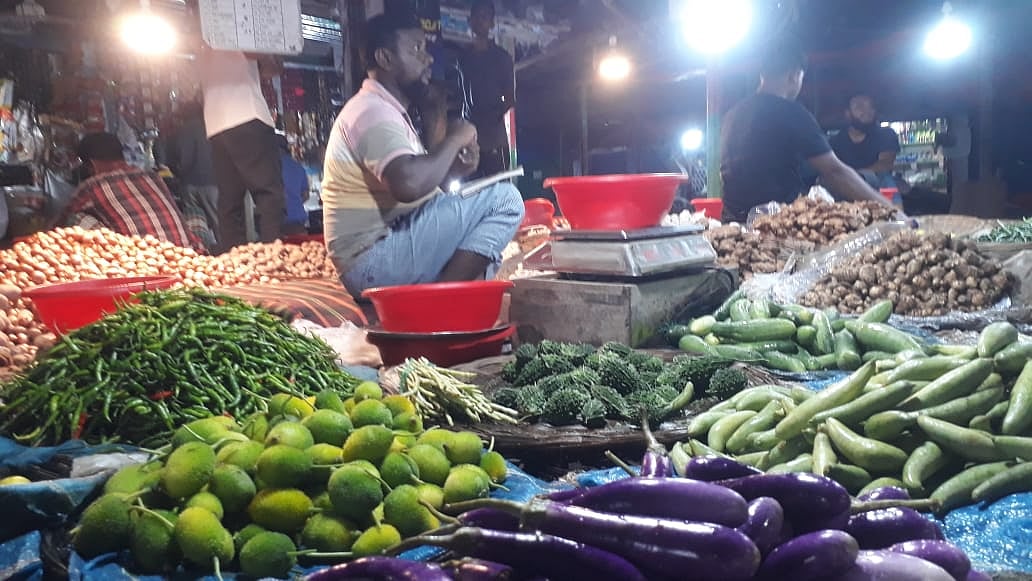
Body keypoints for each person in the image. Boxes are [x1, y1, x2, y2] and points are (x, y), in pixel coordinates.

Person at [321, 11, 524, 297]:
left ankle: (445, 299)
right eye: (416, 49)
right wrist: (455, 139)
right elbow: (408, 184)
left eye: (425, 49)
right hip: (372, 261)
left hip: (385, 251)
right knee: (507, 201)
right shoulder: (371, 111)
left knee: (482, 242)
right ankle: (438, 302)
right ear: (385, 59)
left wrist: (456, 169)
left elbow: (420, 189)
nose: (427, 59)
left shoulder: (387, 111)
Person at [720, 39, 893, 223]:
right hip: (775, 225)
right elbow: (835, 172)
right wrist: (891, 210)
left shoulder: (732, 114)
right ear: (794, 76)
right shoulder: (790, 112)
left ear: (763, 73)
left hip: (731, 222)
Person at [199, 49, 285, 253]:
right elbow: (266, 64)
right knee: (269, 194)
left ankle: (235, 261)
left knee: (230, 201)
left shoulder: (201, 27)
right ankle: (273, 258)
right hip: (247, 111)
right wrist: (275, 51)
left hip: (216, 121)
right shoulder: (238, 21)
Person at [59, 133, 204, 251]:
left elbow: (59, 225)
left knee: (76, 219)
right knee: (194, 210)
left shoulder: (91, 186)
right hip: (188, 254)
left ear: (91, 165)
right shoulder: (153, 177)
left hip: (140, 262)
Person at [458, 0, 515, 177]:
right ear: (470, 21)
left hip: (493, 138)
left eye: (485, 17)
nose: (480, 21)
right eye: (476, 17)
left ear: (491, 22)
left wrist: (492, 118)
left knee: (496, 188)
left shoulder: (501, 58)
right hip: (469, 136)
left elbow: (510, 98)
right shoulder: (463, 58)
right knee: (469, 190)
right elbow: (462, 94)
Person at [167, 100, 219, 250]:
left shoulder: (184, 130)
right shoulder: (213, 126)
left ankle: (203, 255)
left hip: (190, 185)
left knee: (196, 224)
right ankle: (227, 256)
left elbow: (184, 159)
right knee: (219, 224)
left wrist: (178, 173)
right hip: (213, 183)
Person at [829, 94, 901, 189]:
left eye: (871, 106)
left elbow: (885, 164)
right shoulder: (835, 141)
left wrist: (855, 177)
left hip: (877, 188)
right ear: (848, 113)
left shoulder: (886, 134)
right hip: (845, 188)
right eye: (859, 106)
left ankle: (891, 205)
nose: (867, 111)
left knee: (886, 180)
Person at [277, 134, 310, 235]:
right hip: (299, 219)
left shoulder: (272, 167)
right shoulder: (298, 167)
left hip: (280, 221)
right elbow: (305, 195)